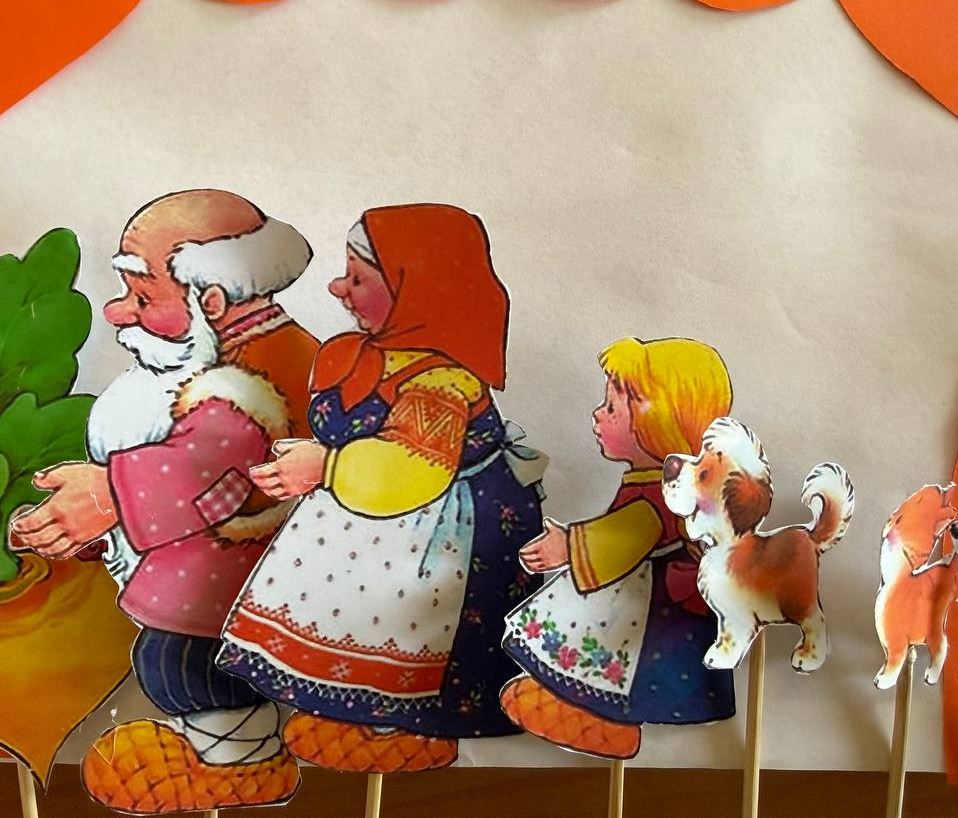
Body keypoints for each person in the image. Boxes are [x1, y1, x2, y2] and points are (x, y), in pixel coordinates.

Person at [11, 190, 318, 812]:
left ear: (212, 301)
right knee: (178, 661)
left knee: (185, 663)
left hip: (237, 586)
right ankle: (228, 755)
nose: (116, 311)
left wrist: (110, 496)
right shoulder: (208, 356)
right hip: (209, 573)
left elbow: (211, 468)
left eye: (143, 295)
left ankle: (240, 762)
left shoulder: (258, 372)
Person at [218, 203, 546, 773]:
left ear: (415, 291)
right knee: (349, 619)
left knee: (413, 633)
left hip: (437, 538)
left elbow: (412, 470)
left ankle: (409, 725)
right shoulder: (359, 356)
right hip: (359, 530)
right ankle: (353, 710)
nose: (337, 288)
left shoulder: (442, 381)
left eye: (358, 278)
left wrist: (325, 468)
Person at [500, 337, 735, 758]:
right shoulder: (652, 483)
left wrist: (568, 547)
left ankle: (607, 720)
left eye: (612, 407)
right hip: (642, 603)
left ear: (656, 421)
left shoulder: (660, 494)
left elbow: (627, 536)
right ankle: (593, 709)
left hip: (654, 613)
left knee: (630, 669)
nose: (597, 414)